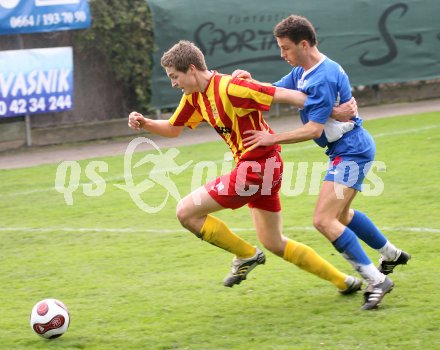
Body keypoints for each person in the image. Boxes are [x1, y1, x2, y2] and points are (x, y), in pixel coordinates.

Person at [128, 40, 363, 296]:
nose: (174, 83)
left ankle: (246, 255)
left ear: (192, 69)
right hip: (265, 167)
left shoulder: (232, 87)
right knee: (274, 242)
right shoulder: (194, 97)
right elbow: (173, 129)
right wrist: (145, 122)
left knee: (186, 212)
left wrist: (334, 110)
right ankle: (344, 281)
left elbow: (291, 96)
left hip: (257, 168)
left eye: (175, 76)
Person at [236, 15, 410, 310]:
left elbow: (313, 130)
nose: (282, 54)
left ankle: (376, 279)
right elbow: (278, 92)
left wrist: (271, 139)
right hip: (347, 150)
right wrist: (252, 83)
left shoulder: (323, 76)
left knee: (323, 220)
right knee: (341, 216)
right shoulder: (305, 70)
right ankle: (391, 255)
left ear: (304, 44)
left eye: (286, 48)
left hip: (351, 152)